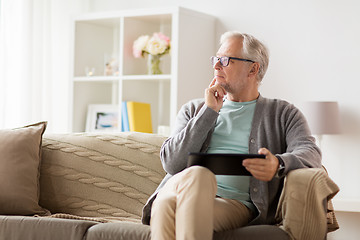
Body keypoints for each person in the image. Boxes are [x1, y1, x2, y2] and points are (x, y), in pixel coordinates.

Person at [141, 31, 322, 240]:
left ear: (253, 68)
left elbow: (311, 153)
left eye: (225, 60)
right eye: (216, 59)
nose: (216, 66)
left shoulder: (283, 113)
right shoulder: (193, 110)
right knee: (188, 183)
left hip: (233, 205)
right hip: (177, 191)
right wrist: (208, 113)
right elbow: (172, 164)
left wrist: (278, 164)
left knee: (168, 204)